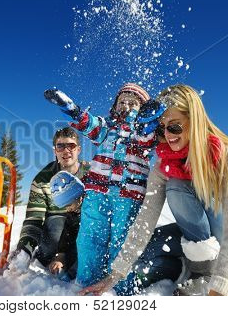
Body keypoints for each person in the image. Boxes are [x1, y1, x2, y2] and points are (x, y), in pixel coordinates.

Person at [79, 84, 228, 296]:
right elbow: (145, 220)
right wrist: (115, 275)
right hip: (191, 234)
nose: (168, 135)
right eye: (162, 127)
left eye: (175, 127)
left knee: (177, 185)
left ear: (195, 121)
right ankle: (181, 266)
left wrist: (221, 283)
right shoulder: (163, 167)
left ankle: (203, 273)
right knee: (142, 254)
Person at [44, 83, 166, 295]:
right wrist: (72, 109)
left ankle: (120, 288)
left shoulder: (144, 132)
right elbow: (89, 124)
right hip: (97, 193)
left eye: (133, 103)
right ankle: (86, 281)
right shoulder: (107, 128)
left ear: (142, 109)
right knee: (90, 238)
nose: (126, 106)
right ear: (115, 105)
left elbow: (146, 140)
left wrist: (147, 122)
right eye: (122, 101)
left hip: (128, 197)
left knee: (122, 241)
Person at [14, 127, 89, 268]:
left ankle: (76, 262)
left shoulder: (92, 174)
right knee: (57, 222)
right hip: (55, 231)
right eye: (60, 146)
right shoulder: (42, 179)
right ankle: (48, 259)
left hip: (85, 225)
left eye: (71, 146)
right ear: (55, 151)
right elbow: (34, 219)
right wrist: (24, 249)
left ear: (78, 149)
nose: (66, 151)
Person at [48, 171, 85, 282]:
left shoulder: (90, 208)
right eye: (64, 207)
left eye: (69, 205)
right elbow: (67, 235)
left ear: (79, 196)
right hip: (78, 245)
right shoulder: (73, 213)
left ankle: (75, 272)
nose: (67, 209)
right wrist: (61, 255)